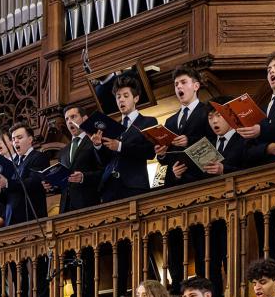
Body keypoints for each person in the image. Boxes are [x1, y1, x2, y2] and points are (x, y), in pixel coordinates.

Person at [94, 72, 157, 202]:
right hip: (109, 188)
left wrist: (120, 146)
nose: (121, 100)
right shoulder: (112, 127)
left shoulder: (148, 122)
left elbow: (150, 152)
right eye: (118, 97)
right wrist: (98, 146)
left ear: (136, 98)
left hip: (134, 187)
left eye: (125, 96)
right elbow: (105, 161)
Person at [156, 66, 212, 187]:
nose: (179, 87)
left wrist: (189, 141)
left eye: (183, 82)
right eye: (176, 84)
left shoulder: (207, 111)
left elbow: (215, 140)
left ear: (196, 86)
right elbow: (166, 160)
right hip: (179, 184)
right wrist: (162, 154)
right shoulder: (169, 121)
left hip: (204, 179)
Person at [172, 99, 252, 182]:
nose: (214, 121)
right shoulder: (205, 145)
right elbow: (199, 179)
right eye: (210, 117)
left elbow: (254, 170)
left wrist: (223, 170)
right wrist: (179, 175)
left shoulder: (245, 139)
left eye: (218, 115)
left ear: (231, 116)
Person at [0, 123, 50, 225]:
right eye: (14, 139)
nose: (16, 141)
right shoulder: (13, 164)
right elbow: (9, 197)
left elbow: (33, 182)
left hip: (31, 219)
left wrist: (7, 183)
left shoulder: (38, 157)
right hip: (11, 222)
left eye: (19, 137)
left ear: (30, 139)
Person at [55, 104, 104, 213]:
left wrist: (84, 177)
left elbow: (104, 171)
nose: (69, 121)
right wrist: (52, 184)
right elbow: (63, 181)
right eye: (67, 119)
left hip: (89, 204)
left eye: (73, 117)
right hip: (66, 207)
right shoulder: (63, 152)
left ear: (84, 119)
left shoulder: (94, 141)